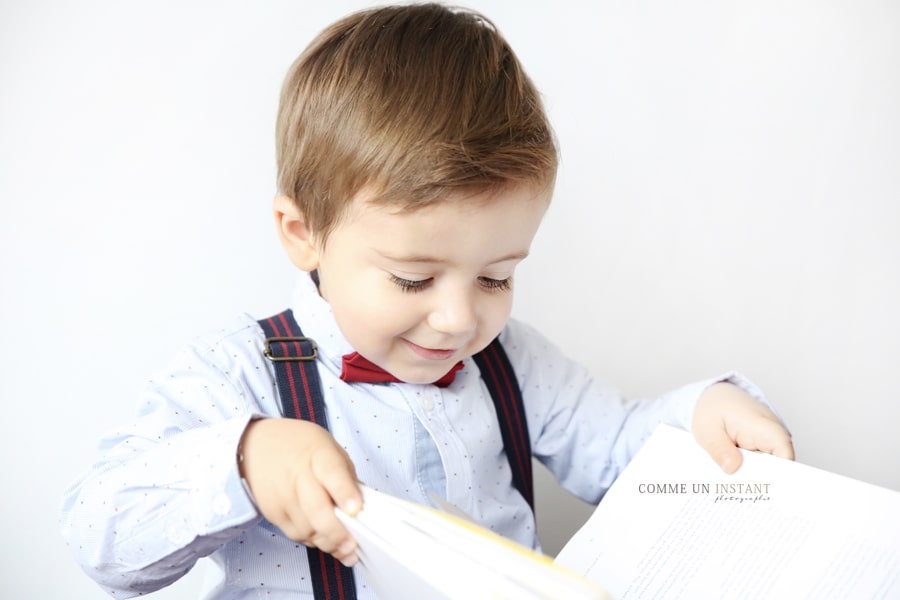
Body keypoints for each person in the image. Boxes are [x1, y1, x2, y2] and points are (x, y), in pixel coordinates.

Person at [60, 4, 794, 599]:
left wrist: (701, 415)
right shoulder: (236, 376)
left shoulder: (514, 363)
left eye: (497, 277)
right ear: (303, 233)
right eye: (413, 279)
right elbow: (103, 539)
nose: (458, 318)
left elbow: (621, 450)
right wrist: (244, 458)